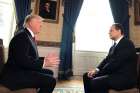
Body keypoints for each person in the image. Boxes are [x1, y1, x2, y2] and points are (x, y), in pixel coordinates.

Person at [0, 15, 59, 93]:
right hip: (15, 75)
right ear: (30, 23)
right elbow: (23, 61)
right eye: (38, 22)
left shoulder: (27, 35)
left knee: (50, 72)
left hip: (22, 70)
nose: (41, 25)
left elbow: (30, 57)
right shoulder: (22, 36)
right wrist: (44, 63)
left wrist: (45, 59)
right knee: (51, 81)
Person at [83, 23, 137, 93]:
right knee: (86, 76)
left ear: (119, 31)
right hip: (114, 74)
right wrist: (96, 70)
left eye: (111, 30)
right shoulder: (113, 46)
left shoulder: (127, 43)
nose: (109, 33)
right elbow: (106, 60)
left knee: (95, 81)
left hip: (124, 78)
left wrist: (100, 73)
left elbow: (115, 63)